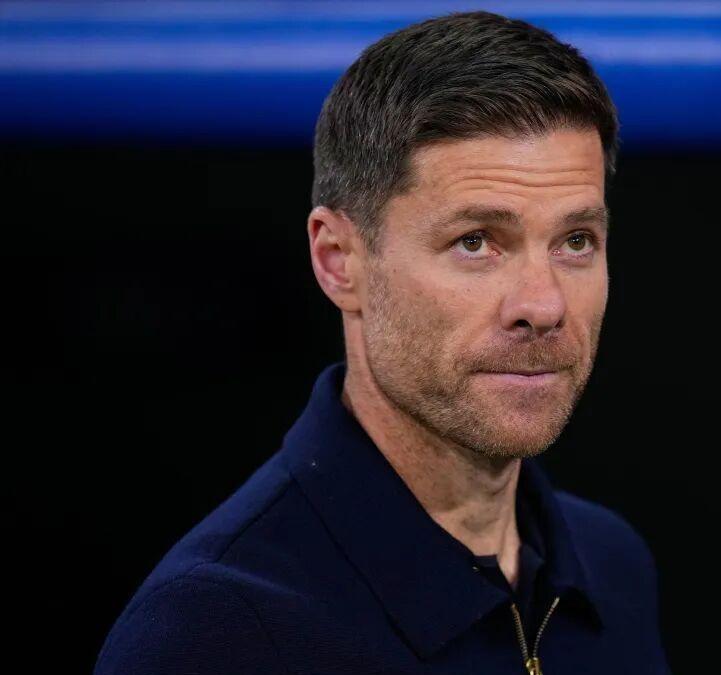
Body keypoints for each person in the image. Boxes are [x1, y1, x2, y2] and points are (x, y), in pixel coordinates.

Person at [94, 11, 669, 674]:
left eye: (575, 241)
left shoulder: (611, 568)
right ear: (339, 260)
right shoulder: (218, 632)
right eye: (475, 242)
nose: (543, 305)